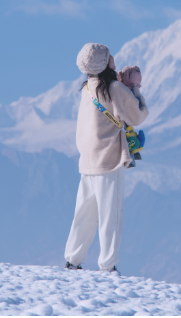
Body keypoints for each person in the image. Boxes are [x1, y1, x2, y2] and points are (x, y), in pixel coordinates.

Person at [64, 43, 149, 273]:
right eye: (109, 56)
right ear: (103, 64)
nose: (113, 58)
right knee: (110, 215)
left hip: (88, 160)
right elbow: (138, 115)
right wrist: (134, 88)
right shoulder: (113, 88)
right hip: (108, 160)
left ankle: (73, 260)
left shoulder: (87, 88)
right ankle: (108, 265)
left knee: (84, 213)